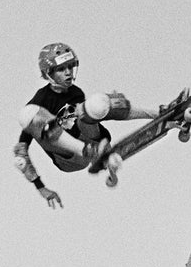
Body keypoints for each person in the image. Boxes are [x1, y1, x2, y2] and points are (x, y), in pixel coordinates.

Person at [13, 42, 159, 208]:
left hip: (90, 141)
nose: (68, 73)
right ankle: (89, 151)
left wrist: (105, 139)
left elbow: (95, 118)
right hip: (68, 158)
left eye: (70, 67)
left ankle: (157, 113)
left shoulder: (76, 92)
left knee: (97, 103)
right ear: (49, 74)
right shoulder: (41, 99)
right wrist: (42, 188)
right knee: (28, 114)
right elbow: (21, 156)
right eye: (61, 69)